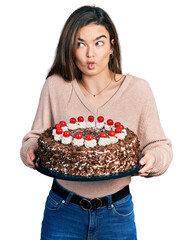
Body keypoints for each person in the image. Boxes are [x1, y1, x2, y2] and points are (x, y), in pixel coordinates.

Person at [20, 5, 173, 240]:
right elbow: (36, 137)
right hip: (62, 210)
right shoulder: (56, 86)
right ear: (70, 48)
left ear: (112, 45)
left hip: (117, 212)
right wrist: (28, 149)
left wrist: (155, 159)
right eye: (80, 44)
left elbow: (159, 146)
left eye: (99, 43)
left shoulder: (138, 90)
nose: (90, 54)